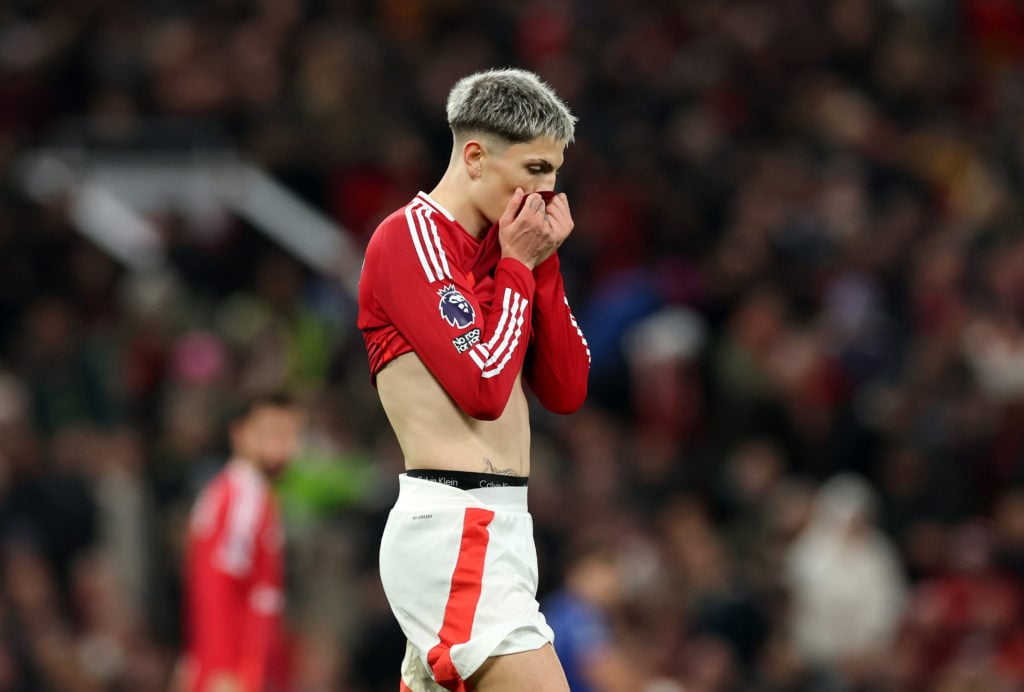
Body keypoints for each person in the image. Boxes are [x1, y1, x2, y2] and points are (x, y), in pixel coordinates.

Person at [357, 68, 591, 691]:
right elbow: (484, 388)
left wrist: (540, 267)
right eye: (535, 170)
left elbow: (567, 391)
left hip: (502, 530)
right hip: (456, 526)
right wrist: (519, 262)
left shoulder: (506, 250)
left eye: (554, 175)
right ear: (476, 156)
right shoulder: (410, 238)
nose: (545, 193)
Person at [179, 391, 305, 692]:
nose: (283, 447)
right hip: (233, 677)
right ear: (240, 434)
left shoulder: (253, 495)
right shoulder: (241, 497)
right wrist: (221, 670)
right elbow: (214, 585)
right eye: (273, 434)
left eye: (290, 435)